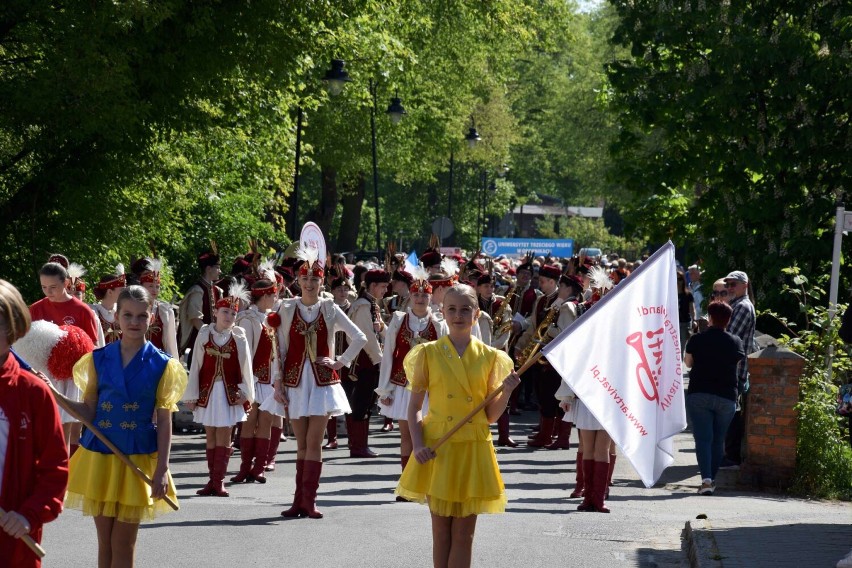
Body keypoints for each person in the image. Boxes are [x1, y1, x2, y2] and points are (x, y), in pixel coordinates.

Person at [396, 284, 521, 568]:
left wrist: (507, 392)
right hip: (438, 447)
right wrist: (417, 445)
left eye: (466, 309)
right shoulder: (427, 353)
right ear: (442, 312)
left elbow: (489, 416)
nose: (458, 315)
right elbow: (414, 408)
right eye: (451, 309)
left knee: (465, 534)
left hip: (473, 447)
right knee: (441, 533)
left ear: (477, 314)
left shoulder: (492, 357)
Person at [64, 285, 187, 568]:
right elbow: (88, 412)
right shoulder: (98, 359)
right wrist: (55, 394)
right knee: (105, 543)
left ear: (152, 317)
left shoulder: (163, 365)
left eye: (141, 316)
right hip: (100, 457)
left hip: (139, 457)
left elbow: (165, 419)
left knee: (123, 544)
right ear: (116, 316)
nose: (134, 322)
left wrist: (162, 468)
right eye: (128, 315)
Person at [267, 245, 367, 519]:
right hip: (295, 382)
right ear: (298, 280)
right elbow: (281, 349)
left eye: (315, 279)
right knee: (300, 444)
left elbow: (359, 337)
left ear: (322, 281)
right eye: (305, 278)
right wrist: (278, 382)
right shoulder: (286, 308)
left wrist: (339, 362)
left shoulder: (330, 308)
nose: (310, 283)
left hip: (323, 384)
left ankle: (309, 501)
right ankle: (297, 501)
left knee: (314, 442)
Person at [0, 280, 68, 568]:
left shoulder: (33, 393)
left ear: (13, 327)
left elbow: (55, 468)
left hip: (14, 534)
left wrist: (29, 514)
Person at [183, 282, 255, 497]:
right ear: (215, 312)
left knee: (225, 435)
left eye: (233, 314)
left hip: (229, 393)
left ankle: (219, 481)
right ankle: (211, 480)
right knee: (211, 435)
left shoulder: (239, 336)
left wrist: (246, 393)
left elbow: (246, 367)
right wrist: (192, 394)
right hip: (208, 392)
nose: (229, 317)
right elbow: (195, 364)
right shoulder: (205, 334)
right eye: (225, 312)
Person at [376, 267, 446, 476]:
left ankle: (426, 479)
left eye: (425, 295)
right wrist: (384, 390)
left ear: (430, 297)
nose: (420, 298)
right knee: (406, 436)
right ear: (411, 296)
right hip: (401, 386)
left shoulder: (439, 325)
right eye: (416, 294)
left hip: (429, 388)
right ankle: (408, 480)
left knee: (428, 435)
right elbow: (388, 355)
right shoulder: (399, 320)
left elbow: (443, 360)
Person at [30, 261, 101, 455]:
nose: (48, 292)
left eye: (53, 287)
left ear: (66, 283)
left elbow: (91, 347)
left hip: (72, 377)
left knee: (67, 429)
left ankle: (67, 475)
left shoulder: (82, 311)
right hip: (44, 375)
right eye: (44, 287)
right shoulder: (35, 309)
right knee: (44, 429)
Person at [684, 301, 746, 494]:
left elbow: (688, 363)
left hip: (700, 393)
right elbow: (736, 365)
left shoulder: (696, 339)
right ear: (728, 320)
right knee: (718, 440)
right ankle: (711, 479)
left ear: (709, 318)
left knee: (703, 439)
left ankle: (706, 480)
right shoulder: (735, 341)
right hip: (726, 396)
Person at [232, 273, 280, 483]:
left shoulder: (271, 317)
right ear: (264, 296)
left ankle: (259, 467)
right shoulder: (247, 318)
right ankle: (245, 467)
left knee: (266, 421)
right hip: (253, 379)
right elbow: (245, 352)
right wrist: (247, 380)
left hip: (269, 379)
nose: (276, 298)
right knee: (250, 422)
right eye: (273, 295)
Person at [346, 269, 390, 458]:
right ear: (372, 286)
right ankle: (357, 446)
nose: (385, 291)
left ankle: (360, 445)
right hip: (364, 363)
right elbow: (367, 338)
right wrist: (380, 360)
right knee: (361, 404)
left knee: (365, 404)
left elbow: (378, 330)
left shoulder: (371, 305)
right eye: (383, 287)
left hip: (369, 362)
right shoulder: (363, 306)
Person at [721, 270, 757, 468]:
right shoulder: (736, 304)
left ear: (745, 285)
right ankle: (729, 455)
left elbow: (728, 335)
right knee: (731, 410)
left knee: (733, 412)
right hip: (732, 367)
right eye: (728, 284)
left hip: (736, 369)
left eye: (733, 284)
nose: (729, 288)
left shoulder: (742, 306)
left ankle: (732, 457)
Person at [178, 250, 223, 367]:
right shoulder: (197, 290)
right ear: (208, 269)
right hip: (198, 343)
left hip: (214, 342)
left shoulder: (217, 290)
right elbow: (195, 319)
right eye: (218, 268)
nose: (220, 271)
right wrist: (210, 336)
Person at [132, 258, 179, 359]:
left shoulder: (165, 311)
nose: (154, 290)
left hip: (158, 364)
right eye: (150, 286)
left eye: (157, 286)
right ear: (141, 286)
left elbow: (171, 344)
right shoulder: (132, 308)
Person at [676, 271, 695, 353]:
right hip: (673, 324)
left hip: (685, 323)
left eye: (679, 279)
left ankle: (679, 364)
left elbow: (692, 308)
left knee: (681, 346)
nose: (677, 281)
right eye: (675, 279)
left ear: (683, 280)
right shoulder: (669, 295)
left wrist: (694, 320)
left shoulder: (688, 294)